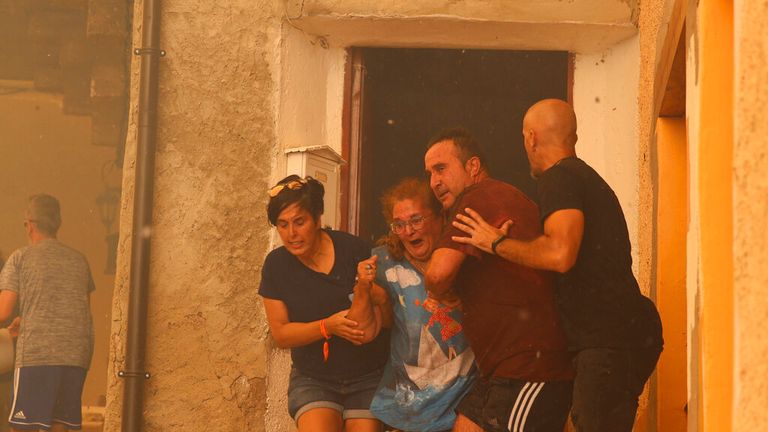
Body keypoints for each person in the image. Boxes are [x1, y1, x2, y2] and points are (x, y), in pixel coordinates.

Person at [451, 99, 664, 432]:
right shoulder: (585, 178)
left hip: (607, 339)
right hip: (625, 334)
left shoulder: (559, 178)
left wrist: (495, 243)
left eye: (523, 138)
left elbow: (560, 254)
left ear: (532, 138)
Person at [423, 129, 574, 432]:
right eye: (429, 173)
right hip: (504, 369)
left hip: (529, 367)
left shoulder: (479, 197)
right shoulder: (500, 196)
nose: (434, 182)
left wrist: (443, 291)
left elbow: (437, 273)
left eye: (441, 169)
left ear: (473, 167)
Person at [258, 175, 390, 432]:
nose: (291, 233)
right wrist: (327, 326)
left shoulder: (354, 250)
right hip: (313, 378)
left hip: (367, 376)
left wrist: (380, 298)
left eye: (299, 222)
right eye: (282, 225)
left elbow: (384, 322)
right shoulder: (276, 266)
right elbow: (281, 335)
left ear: (318, 218)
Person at [353, 178, 476, 432]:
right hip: (409, 407)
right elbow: (361, 329)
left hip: (466, 400)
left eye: (416, 220)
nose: (408, 231)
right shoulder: (384, 263)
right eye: (399, 224)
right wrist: (363, 287)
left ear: (440, 216)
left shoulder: (463, 254)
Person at [0, 194, 95, 432]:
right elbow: (81, 309)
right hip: (76, 356)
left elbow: (3, 310)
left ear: (29, 225)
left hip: (38, 356)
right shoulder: (79, 260)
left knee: (24, 426)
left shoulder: (21, 258)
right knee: (58, 425)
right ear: (58, 223)